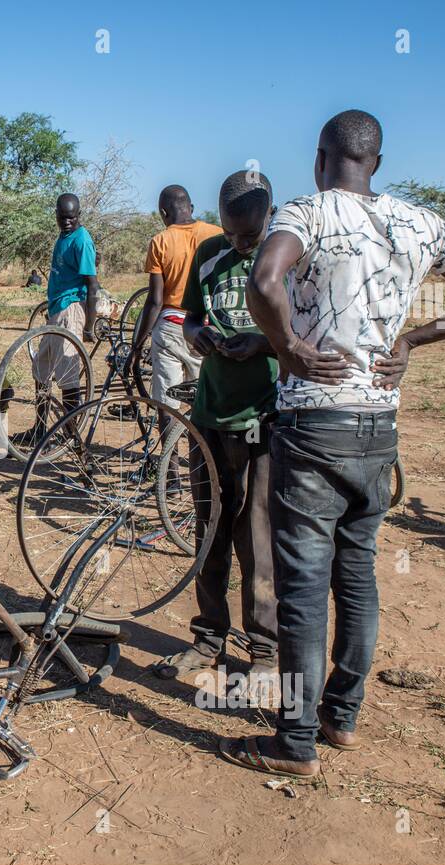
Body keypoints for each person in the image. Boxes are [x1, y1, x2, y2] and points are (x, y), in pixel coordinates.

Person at [220, 109, 445, 779]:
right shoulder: (420, 223)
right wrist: (414, 339)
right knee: (356, 574)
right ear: (376, 164)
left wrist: (290, 348)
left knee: (303, 586)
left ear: (319, 157)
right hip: (378, 430)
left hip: (312, 426)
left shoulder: (305, 213)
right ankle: (342, 715)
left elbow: (264, 281)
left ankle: (294, 741)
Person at [153, 171, 280, 689]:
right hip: (210, 414)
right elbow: (190, 315)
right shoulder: (208, 252)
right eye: (230, 233)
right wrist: (200, 332)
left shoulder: (287, 257)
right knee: (209, 533)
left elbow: (310, 333)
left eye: (248, 236)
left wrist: (264, 345)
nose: (238, 244)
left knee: (258, 541)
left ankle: (265, 653)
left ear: (268, 216)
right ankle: (208, 639)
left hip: (263, 420)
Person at [130, 185, 223, 436]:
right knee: (205, 401)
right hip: (208, 328)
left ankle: (169, 473)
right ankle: (205, 465)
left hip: (171, 326)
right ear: (191, 208)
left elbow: (155, 300)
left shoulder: (161, 241)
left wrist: (137, 347)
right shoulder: (218, 235)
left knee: (167, 404)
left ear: (163, 212)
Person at [23, 193, 97, 443]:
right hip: (56, 310)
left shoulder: (81, 240)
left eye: (71, 218)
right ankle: (40, 428)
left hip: (71, 310)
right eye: (63, 218)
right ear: (56, 215)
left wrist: (89, 324)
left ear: (78, 216)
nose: (67, 222)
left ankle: (71, 437)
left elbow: (92, 284)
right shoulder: (63, 236)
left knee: (68, 376)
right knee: (40, 368)